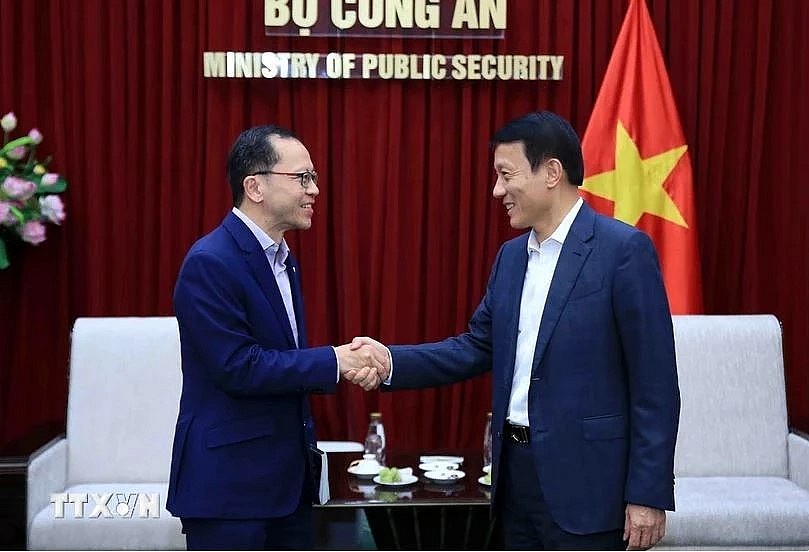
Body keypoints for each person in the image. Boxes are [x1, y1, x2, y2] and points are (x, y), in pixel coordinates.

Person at [354, 111, 680, 550]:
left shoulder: (622, 251)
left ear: (551, 172)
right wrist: (391, 361)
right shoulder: (511, 259)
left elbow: (655, 385)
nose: (497, 190)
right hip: (515, 479)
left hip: (590, 485)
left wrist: (647, 493)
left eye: (506, 175)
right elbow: (474, 347)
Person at [167, 125, 386, 550]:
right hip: (231, 490)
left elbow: (282, 362)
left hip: (286, 486)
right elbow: (239, 367)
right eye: (302, 178)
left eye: (314, 178)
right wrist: (336, 361)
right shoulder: (210, 262)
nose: (315, 190)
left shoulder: (284, 259)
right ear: (255, 187)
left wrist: (338, 364)